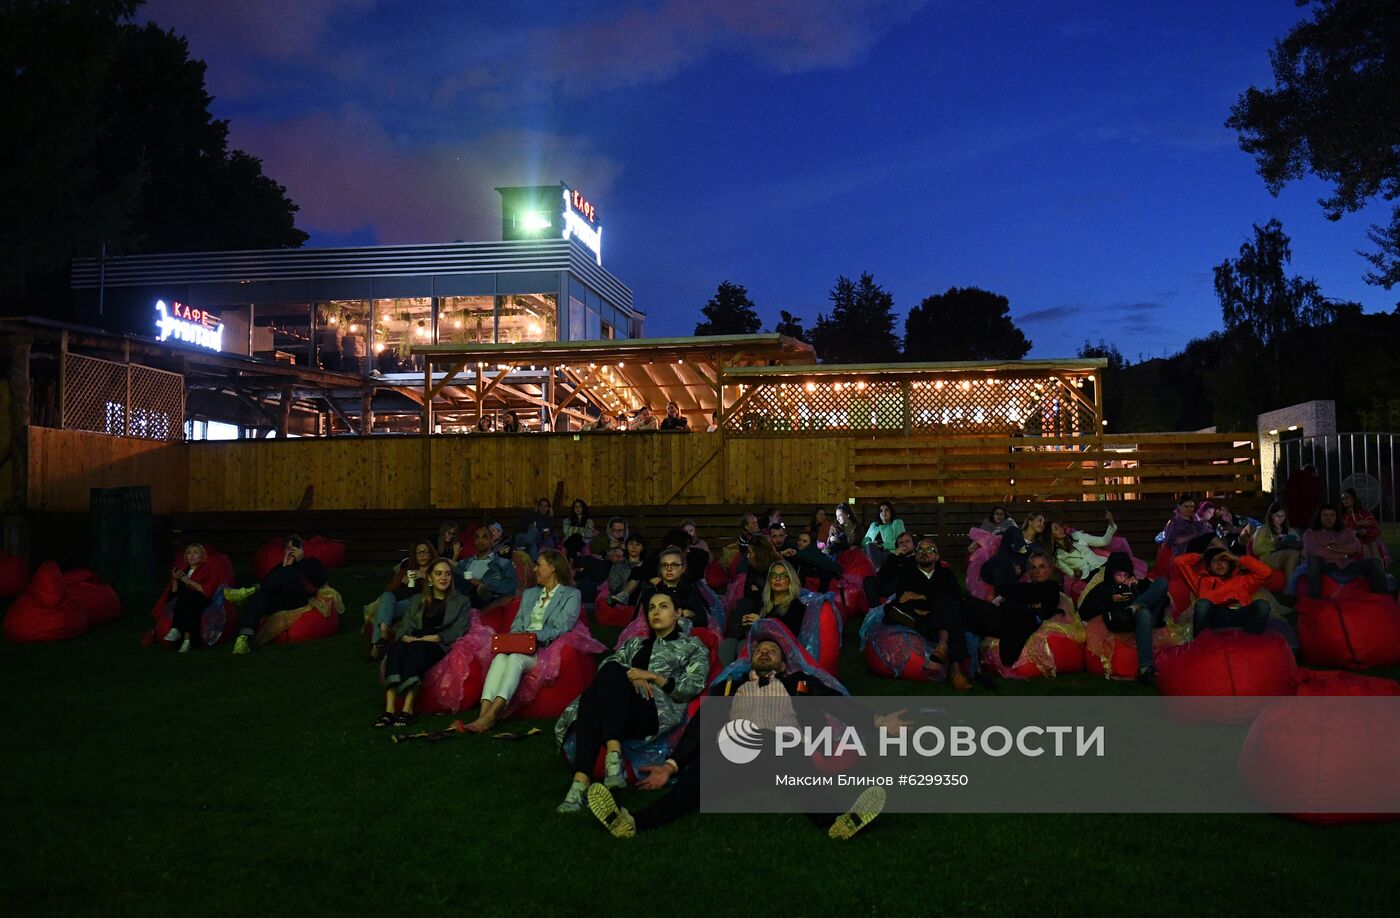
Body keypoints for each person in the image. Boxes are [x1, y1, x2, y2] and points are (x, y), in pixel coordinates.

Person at [583, 624, 889, 840]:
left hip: (781, 747)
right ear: (750, 659)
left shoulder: (799, 683)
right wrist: (670, 765)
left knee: (800, 774)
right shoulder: (730, 686)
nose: (766, 652)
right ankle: (630, 822)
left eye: (773, 651)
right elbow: (702, 724)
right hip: (734, 748)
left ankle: (839, 821)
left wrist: (875, 721)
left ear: (784, 664)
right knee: (691, 786)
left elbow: (835, 703)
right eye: (761, 650)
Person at [553, 592, 709, 812]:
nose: (655, 611)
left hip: (654, 710)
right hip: (621, 709)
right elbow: (607, 669)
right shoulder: (635, 644)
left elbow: (693, 685)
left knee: (595, 692)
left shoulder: (693, 646)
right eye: (652, 607)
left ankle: (585, 780)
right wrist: (630, 675)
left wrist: (651, 676)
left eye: (663, 606)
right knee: (608, 674)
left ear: (677, 614)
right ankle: (591, 774)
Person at [466, 550, 581, 733]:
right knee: (500, 658)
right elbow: (517, 622)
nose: (535, 569)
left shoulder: (571, 594)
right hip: (522, 643)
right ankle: (483, 714)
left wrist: (532, 636)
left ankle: (492, 714)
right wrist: (518, 638)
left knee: (514, 659)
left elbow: (562, 627)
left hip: (545, 648)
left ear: (552, 568)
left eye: (539, 565)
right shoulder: (530, 594)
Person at [374, 559, 472, 728]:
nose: (444, 578)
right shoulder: (418, 600)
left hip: (436, 642)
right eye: (438, 573)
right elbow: (405, 625)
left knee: (417, 650)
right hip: (415, 638)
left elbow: (459, 629)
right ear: (429, 578)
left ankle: (407, 709)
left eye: (447, 574)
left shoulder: (461, 601)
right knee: (397, 648)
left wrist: (437, 637)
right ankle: (389, 710)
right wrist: (404, 636)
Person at [885, 537, 973, 691]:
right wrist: (932, 602)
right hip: (932, 613)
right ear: (915, 554)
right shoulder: (907, 573)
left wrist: (921, 596)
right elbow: (903, 598)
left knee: (947, 602)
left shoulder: (946, 573)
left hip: (933, 613)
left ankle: (943, 646)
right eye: (920, 549)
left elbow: (955, 594)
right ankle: (955, 669)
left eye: (930, 549)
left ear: (937, 556)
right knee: (946, 611)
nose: (924, 552)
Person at [226, 535, 328, 655]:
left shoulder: (312, 562)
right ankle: (243, 638)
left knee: (287, 574)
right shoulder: (279, 567)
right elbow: (268, 585)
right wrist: (284, 567)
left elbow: (319, 579)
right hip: (279, 601)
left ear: (302, 549)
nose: (292, 550)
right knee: (261, 595)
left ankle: (246, 592)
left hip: (298, 598)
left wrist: (300, 561)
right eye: (288, 548)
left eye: (295, 547)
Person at [964, 550, 1066, 668]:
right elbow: (1009, 591)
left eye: (1042, 567)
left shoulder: (1051, 587)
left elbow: (1043, 606)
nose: (1037, 571)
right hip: (1003, 616)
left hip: (1009, 622)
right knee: (966, 604)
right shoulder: (1024, 586)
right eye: (1033, 567)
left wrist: (1018, 600)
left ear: (1050, 569)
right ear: (1030, 571)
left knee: (969, 608)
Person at [1079, 551, 1169, 684]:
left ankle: (1137, 605)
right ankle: (1146, 669)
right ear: (1111, 574)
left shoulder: (1136, 584)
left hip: (1149, 619)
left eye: (1125, 574)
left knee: (1161, 583)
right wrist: (1111, 599)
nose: (1122, 578)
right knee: (1144, 614)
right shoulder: (1104, 588)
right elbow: (1084, 611)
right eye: (1118, 574)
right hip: (1122, 620)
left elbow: (1163, 600)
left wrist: (1139, 585)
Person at [1173, 547, 1272, 637]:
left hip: (1239, 613)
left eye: (1223, 560)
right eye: (1214, 561)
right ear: (1209, 567)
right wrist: (1203, 555)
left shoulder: (1242, 580)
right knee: (1202, 604)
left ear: (1230, 564)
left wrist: (1236, 558)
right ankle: (1201, 643)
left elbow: (1266, 572)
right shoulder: (1202, 581)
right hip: (1216, 616)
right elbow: (1179, 562)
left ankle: (1249, 639)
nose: (1219, 564)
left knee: (1262, 605)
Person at [1303, 504, 1389, 598]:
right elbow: (1313, 550)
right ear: (1319, 517)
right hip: (1326, 565)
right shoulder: (1310, 533)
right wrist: (1342, 553)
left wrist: (1332, 548)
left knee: (1375, 562)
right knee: (1313, 561)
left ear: (1336, 517)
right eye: (1325, 515)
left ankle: (1381, 597)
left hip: (1347, 564)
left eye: (1332, 515)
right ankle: (1314, 599)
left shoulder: (1345, 532)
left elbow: (1356, 546)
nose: (1329, 518)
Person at [369, 539, 435, 659]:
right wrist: (400, 580)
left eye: (425, 552)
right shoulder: (407, 570)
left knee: (416, 597)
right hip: (403, 605)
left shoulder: (436, 571)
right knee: (387, 596)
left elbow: (439, 589)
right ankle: (383, 637)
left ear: (430, 554)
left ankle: (375, 650)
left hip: (420, 605)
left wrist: (425, 576)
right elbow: (389, 589)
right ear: (414, 556)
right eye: (418, 553)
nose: (422, 555)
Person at [160, 543, 220, 654]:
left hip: (202, 598)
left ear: (202, 556)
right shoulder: (184, 571)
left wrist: (188, 581)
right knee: (187, 600)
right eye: (189, 553)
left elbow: (208, 589)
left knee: (189, 597)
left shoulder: (207, 569)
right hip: (185, 601)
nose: (191, 555)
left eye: (196, 552)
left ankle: (176, 628)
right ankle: (187, 641)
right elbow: (174, 594)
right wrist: (175, 580)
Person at [633, 548, 709, 627]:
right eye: (664, 565)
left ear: (683, 568)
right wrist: (682, 614)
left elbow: (703, 621)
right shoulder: (650, 592)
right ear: (660, 569)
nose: (669, 569)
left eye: (674, 565)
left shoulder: (691, 591)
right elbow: (651, 621)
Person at [979, 511, 1047, 597]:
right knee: (1000, 561)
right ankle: (1002, 597)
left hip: (1009, 574)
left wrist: (1018, 566)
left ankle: (999, 598)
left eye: (1044, 523)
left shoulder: (1037, 546)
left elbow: (1028, 563)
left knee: (999, 570)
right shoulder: (1013, 531)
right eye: (1040, 520)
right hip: (991, 570)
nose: (1042, 524)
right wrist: (1012, 564)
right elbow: (1003, 550)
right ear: (1030, 521)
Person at [455, 527, 519, 608]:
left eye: (485, 537)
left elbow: (511, 588)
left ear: (492, 541)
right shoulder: (464, 562)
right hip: (464, 602)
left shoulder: (504, 563)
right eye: (477, 537)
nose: (480, 540)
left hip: (490, 604)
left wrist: (483, 584)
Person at [1050, 511, 1118, 581]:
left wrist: (1111, 524)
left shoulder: (1076, 536)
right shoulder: (1057, 556)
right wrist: (1076, 573)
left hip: (1101, 564)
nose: (1061, 529)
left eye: (1060, 526)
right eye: (1056, 529)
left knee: (1121, 557)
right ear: (1051, 536)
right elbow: (1071, 573)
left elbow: (1104, 541)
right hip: (1089, 575)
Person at [1250, 501, 1302, 577]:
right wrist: (1275, 544)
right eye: (1277, 515)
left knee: (1295, 553)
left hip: (1287, 555)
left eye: (1283, 516)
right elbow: (1256, 548)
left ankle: (1291, 584)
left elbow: (1298, 542)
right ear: (1271, 515)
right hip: (1268, 558)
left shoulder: (1289, 530)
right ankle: (1290, 586)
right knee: (1292, 554)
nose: (1280, 518)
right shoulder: (1263, 530)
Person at [1340, 488, 1390, 564]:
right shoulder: (1342, 515)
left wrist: (1366, 531)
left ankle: (1379, 569)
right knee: (1365, 547)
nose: (1345, 501)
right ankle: (1369, 570)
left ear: (1353, 500)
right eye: (1343, 499)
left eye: (1347, 498)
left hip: (1366, 538)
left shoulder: (1363, 513)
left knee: (1373, 544)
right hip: (1351, 540)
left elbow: (1375, 528)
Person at [868, 531, 916, 605]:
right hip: (889, 587)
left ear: (914, 545)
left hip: (902, 589)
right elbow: (881, 575)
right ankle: (874, 609)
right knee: (869, 580)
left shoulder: (917, 558)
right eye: (901, 543)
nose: (904, 544)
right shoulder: (894, 558)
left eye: (907, 541)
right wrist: (893, 556)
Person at [604, 534, 647, 605]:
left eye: (637, 545)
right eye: (631, 544)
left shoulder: (647, 565)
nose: (634, 547)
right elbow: (614, 586)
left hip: (643, 599)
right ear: (626, 546)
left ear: (642, 548)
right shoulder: (618, 565)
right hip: (623, 601)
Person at [862, 502, 906, 566]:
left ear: (891, 511)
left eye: (886, 510)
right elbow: (864, 541)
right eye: (881, 511)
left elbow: (900, 541)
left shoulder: (897, 523)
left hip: (889, 552)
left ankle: (877, 571)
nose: (883, 513)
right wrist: (871, 543)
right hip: (872, 551)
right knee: (869, 546)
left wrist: (882, 545)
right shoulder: (874, 525)